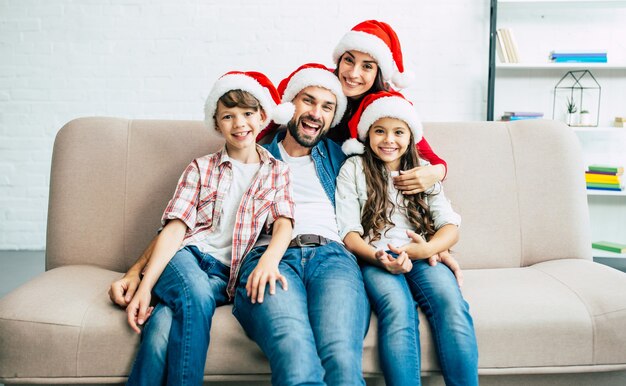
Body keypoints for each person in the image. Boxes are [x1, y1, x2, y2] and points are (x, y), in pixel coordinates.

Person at [124, 70, 296, 386]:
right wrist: (145, 286)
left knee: (162, 326)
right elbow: (175, 228)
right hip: (186, 258)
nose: (239, 123)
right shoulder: (201, 167)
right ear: (217, 124)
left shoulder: (277, 172)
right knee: (197, 296)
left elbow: (284, 222)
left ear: (262, 117)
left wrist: (270, 259)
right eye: (228, 116)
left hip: (224, 275)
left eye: (247, 114)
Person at [232, 63, 369, 386]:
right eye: (308, 101)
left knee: (340, 357)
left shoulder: (343, 158)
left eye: (327, 107)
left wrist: (433, 243)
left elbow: (390, 194)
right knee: (295, 355)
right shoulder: (253, 154)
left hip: (333, 258)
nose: (316, 113)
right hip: (269, 258)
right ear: (288, 104)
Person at [335, 90, 479, 386]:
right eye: (380, 131)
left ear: (411, 136)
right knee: (398, 309)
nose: (389, 140)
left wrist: (425, 249)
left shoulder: (423, 172)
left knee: (451, 305)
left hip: (424, 256)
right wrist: (377, 257)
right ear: (367, 135)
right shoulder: (353, 169)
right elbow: (349, 233)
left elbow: (450, 227)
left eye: (398, 132)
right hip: (376, 258)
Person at [331, 19, 447, 195]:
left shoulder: (387, 105)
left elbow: (433, 160)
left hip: (365, 193)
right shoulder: (321, 90)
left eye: (367, 66)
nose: (353, 74)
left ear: (378, 72)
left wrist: (437, 172)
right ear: (339, 61)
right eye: (349, 60)